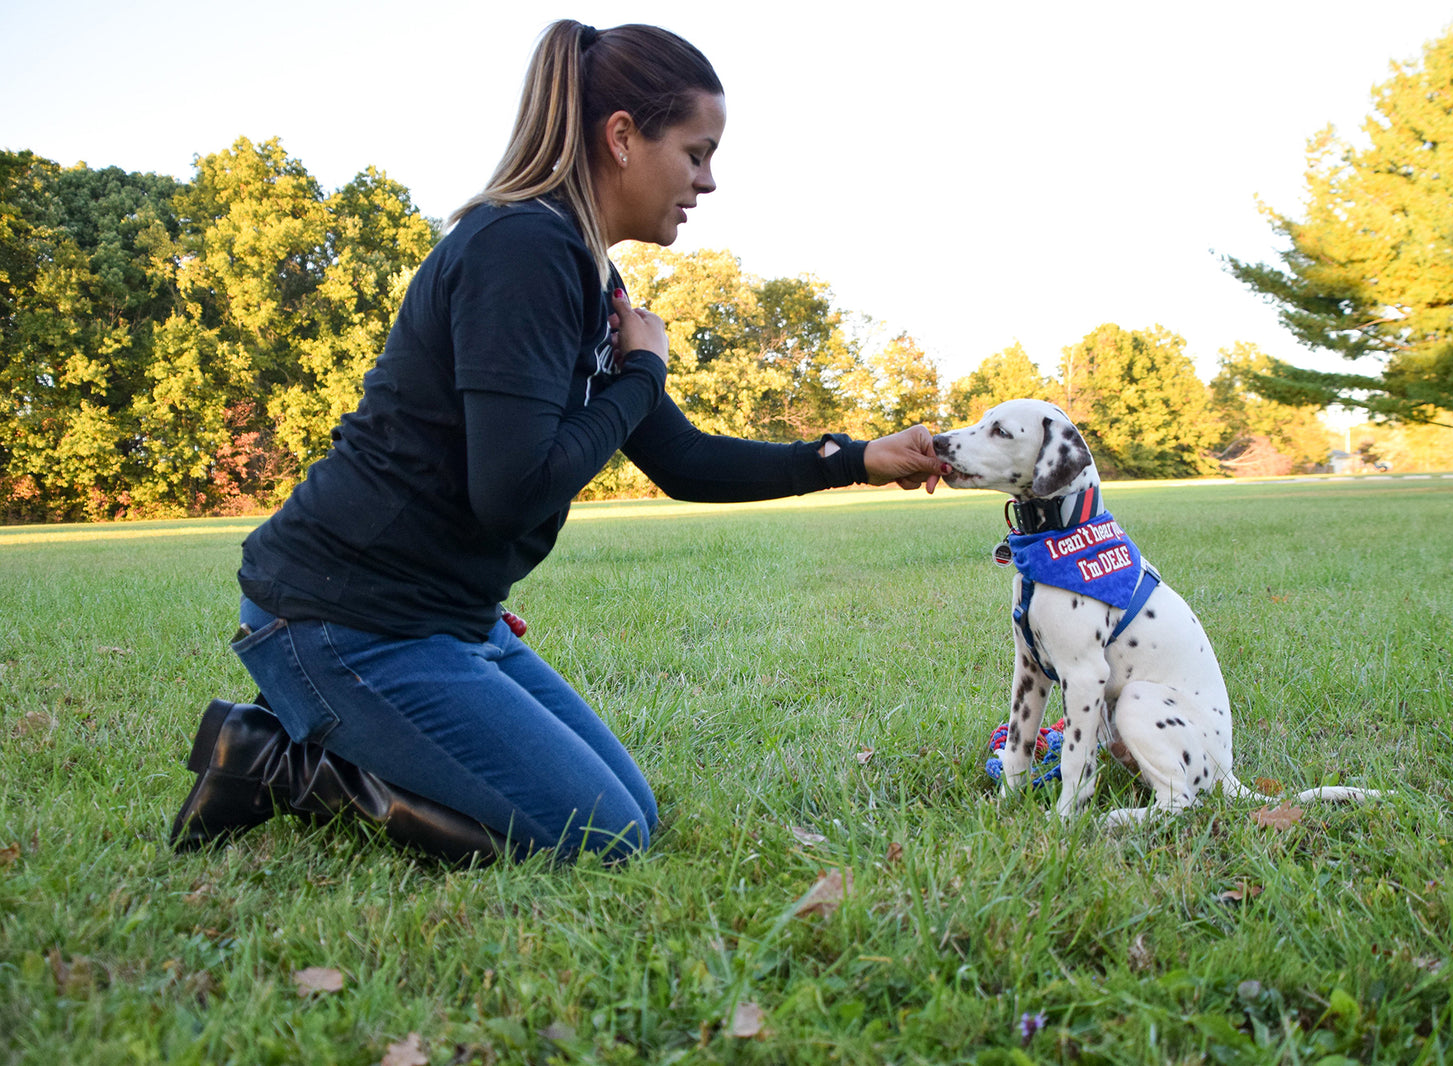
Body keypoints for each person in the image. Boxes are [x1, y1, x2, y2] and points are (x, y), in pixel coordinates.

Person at [169, 19, 947, 866]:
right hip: (343, 618)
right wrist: (641, 376)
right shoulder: (522, 249)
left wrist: (860, 459)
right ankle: (275, 764)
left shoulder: (583, 270)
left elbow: (681, 461)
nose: (708, 181)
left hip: (444, 617)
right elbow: (511, 489)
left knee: (630, 812)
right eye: (696, 152)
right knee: (603, 837)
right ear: (622, 136)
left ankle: (326, 738)